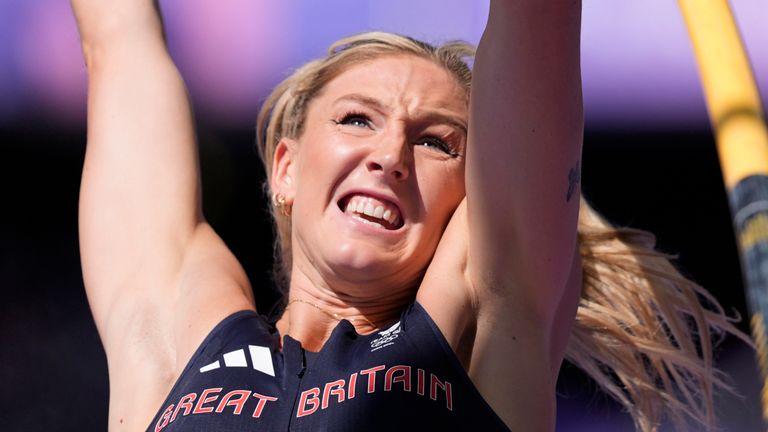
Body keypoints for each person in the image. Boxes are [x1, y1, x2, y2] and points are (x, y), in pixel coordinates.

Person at [70, 0, 747, 431]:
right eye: (357, 118)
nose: (389, 154)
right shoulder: (176, 338)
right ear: (285, 168)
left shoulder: (489, 342)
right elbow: (117, 37)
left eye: (434, 142)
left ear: (468, 206)